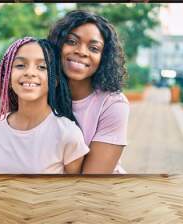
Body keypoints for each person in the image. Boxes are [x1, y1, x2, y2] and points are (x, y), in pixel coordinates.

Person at [0, 37, 89, 174]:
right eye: (20, 65)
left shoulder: (68, 134)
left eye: (42, 67)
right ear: (8, 77)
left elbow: (75, 190)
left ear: (54, 80)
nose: (30, 73)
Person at [48, 10, 130, 174]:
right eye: (71, 41)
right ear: (57, 45)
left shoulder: (113, 104)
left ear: (104, 57)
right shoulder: (40, 91)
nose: (82, 51)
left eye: (94, 48)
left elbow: (92, 179)